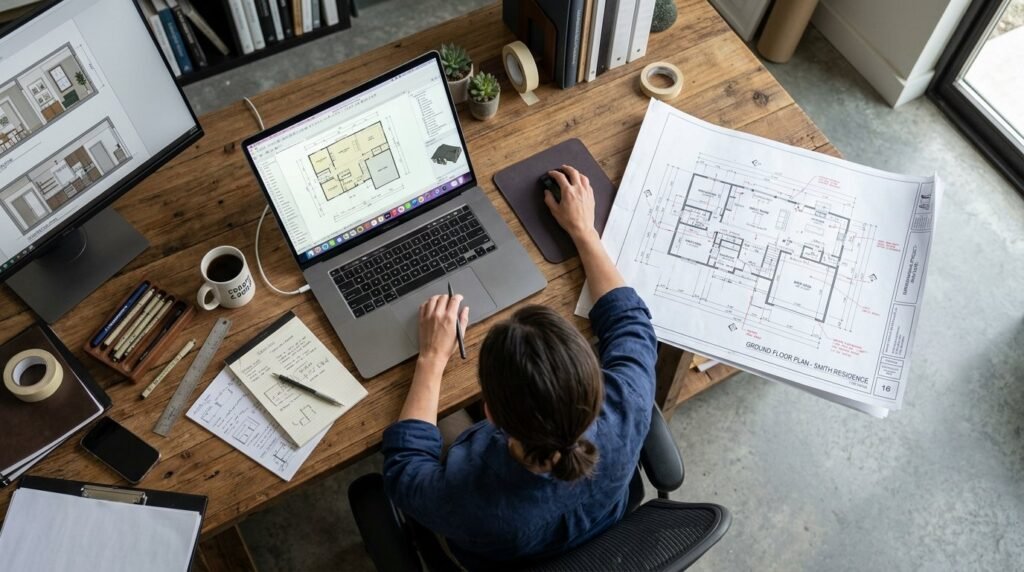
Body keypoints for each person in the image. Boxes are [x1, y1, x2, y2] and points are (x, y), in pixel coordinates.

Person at [381, 164, 658, 569]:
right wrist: (584, 231)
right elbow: (629, 322)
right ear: (593, 383)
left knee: (446, 419)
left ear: (489, 414)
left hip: (497, 554)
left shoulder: (464, 496)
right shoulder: (627, 405)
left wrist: (432, 358)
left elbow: (404, 467)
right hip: (602, 536)